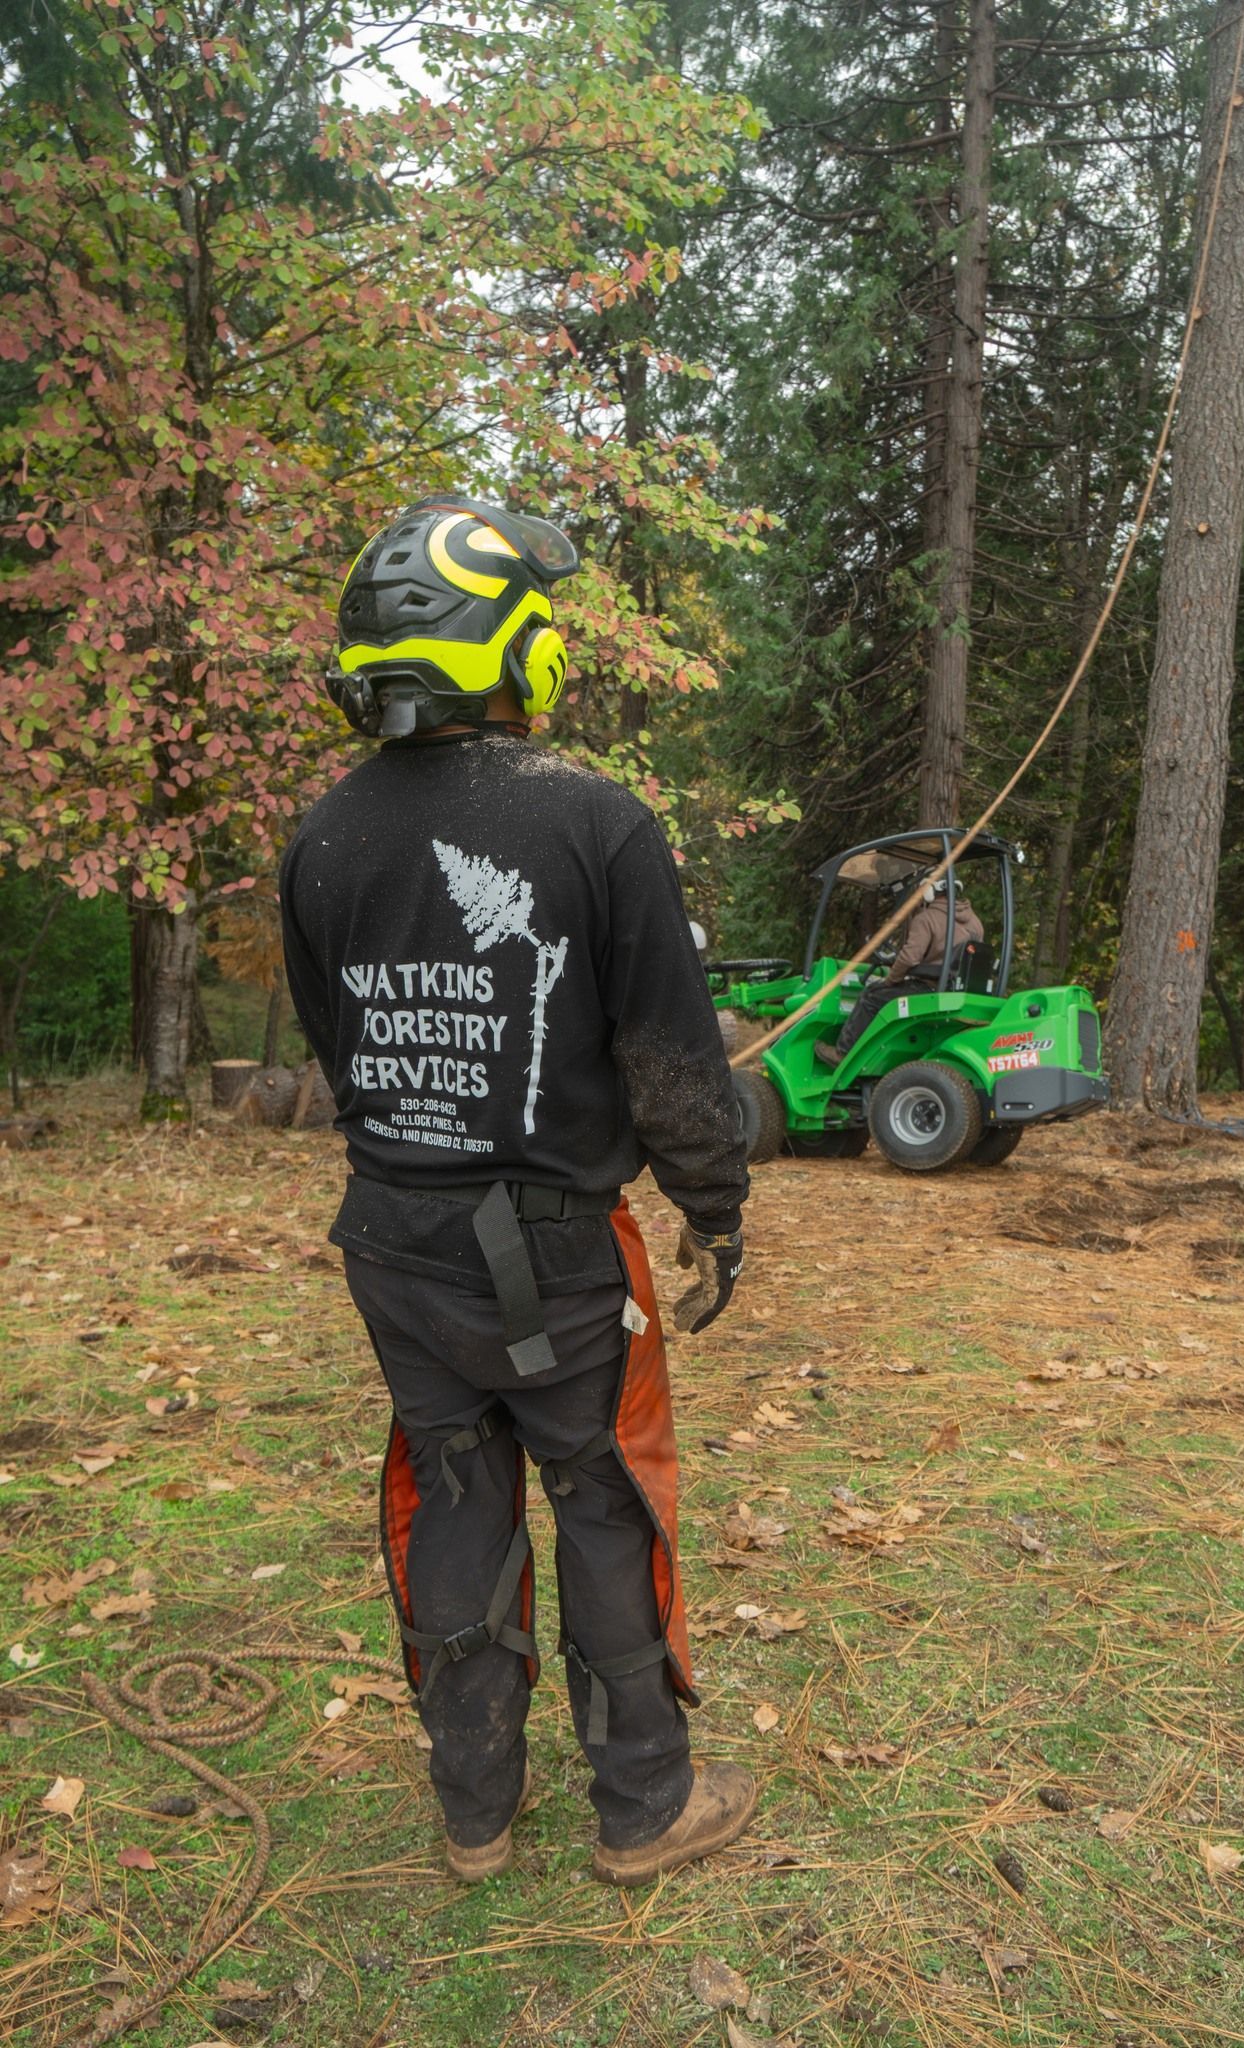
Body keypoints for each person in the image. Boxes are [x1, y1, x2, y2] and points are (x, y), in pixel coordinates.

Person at [280, 496, 756, 1887]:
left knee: (456, 1487)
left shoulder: (319, 843)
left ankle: (473, 1810)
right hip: (549, 1253)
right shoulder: (595, 821)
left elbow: (337, 1046)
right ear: (513, 649)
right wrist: (712, 1207)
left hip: (395, 1243)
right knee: (603, 1496)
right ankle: (644, 1808)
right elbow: (671, 1056)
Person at [814, 879, 985, 1065]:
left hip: (929, 988)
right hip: (957, 991)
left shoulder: (927, 918)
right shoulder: (975, 922)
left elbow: (909, 958)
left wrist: (891, 979)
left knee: (871, 996)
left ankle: (843, 1054)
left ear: (929, 892)